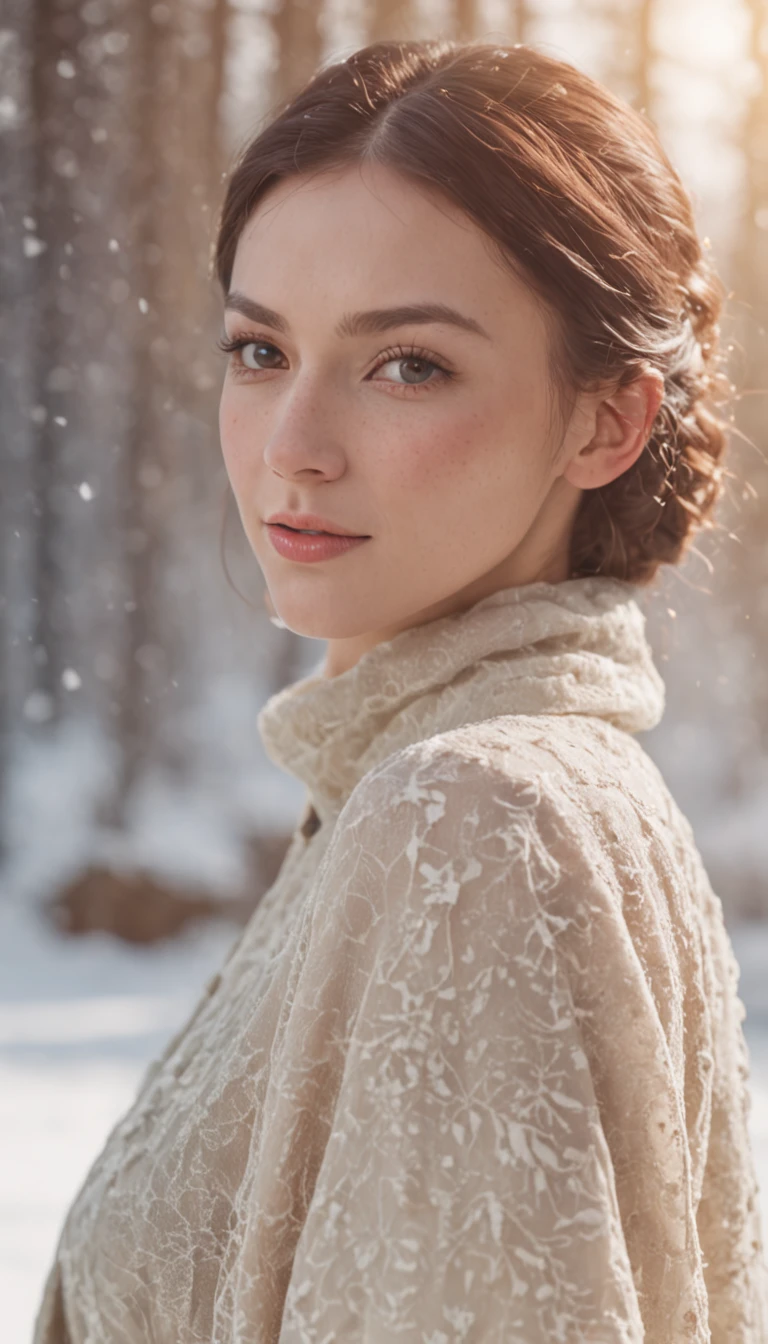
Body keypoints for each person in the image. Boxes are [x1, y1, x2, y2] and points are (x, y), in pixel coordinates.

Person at [34, 36, 768, 1344]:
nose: (294, 448)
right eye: (260, 351)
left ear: (608, 420)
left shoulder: (476, 820)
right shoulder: (481, 787)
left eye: (406, 364)